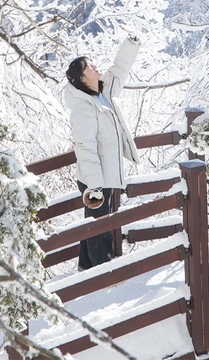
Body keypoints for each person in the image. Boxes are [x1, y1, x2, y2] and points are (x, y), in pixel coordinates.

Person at [64, 36, 141, 270]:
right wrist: (95, 185)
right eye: (89, 67)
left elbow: (119, 69)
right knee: (100, 227)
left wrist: (131, 44)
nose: (95, 67)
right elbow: (85, 148)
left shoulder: (103, 93)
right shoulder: (83, 108)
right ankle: (103, 273)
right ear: (81, 79)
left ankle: (86, 268)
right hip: (95, 178)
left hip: (103, 174)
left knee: (94, 223)